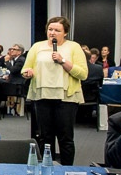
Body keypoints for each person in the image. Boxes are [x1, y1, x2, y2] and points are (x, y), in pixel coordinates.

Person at [21, 16, 87, 166]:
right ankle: (46, 168)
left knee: (65, 138)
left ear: (65, 33)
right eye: (50, 29)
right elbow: (26, 68)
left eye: (57, 30)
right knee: (45, 137)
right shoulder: (37, 46)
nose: (52, 33)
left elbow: (83, 74)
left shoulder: (74, 47)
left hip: (66, 98)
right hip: (42, 96)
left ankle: (66, 169)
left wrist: (63, 61)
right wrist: (27, 73)